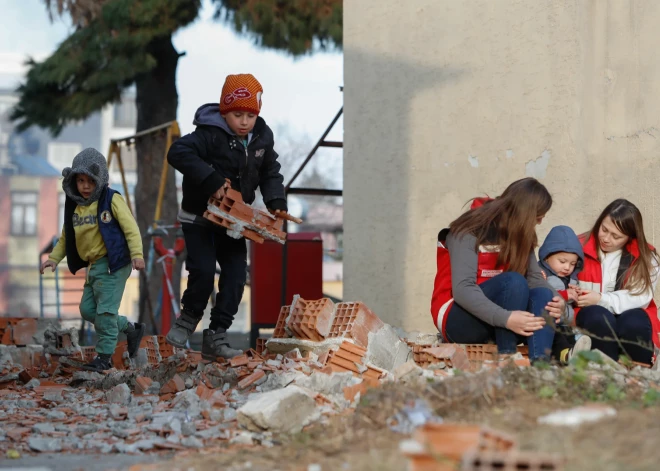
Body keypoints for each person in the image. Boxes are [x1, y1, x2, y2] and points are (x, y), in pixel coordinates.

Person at [166, 73, 288, 360]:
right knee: (204, 271)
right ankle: (188, 319)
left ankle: (217, 334)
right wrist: (211, 180)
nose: (244, 122)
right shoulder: (208, 134)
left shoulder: (261, 138)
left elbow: (270, 172)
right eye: (237, 114)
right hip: (200, 217)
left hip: (234, 222)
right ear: (224, 111)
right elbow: (177, 152)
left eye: (250, 115)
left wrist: (275, 201)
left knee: (235, 276)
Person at [430, 177, 566, 362]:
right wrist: (507, 318)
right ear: (525, 214)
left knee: (543, 294)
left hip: (501, 320)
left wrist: (560, 304)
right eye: (538, 216)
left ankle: (540, 367)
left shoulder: (520, 233)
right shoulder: (468, 231)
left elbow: (535, 279)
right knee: (514, 281)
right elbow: (463, 290)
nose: (540, 222)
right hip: (458, 320)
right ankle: (507, 359)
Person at [40, 148, 146, 373]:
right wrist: (53, 259)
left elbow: (131, 228)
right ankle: (131, 328)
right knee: (88, 310)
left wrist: (137, 255)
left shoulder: (111, 199)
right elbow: (67, 236)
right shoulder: (75, 207)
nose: (85, 186)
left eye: (91, 180)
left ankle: (104, 357)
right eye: (80, 180)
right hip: (94, 267)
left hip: (113, 264)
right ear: (73, 181)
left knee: (105, 313)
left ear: (100, 180)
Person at [575, 199, 660, 365]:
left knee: (634, 321)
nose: (606, 238)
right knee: (599, 317)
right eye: (604, 229)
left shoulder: (646, 258)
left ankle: (639, 377)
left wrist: (601, 299)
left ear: (630, 237)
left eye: (616, 236)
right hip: (589, 317)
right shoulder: (577, 246)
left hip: (631, 318)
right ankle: (607, 373)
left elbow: (640, 297)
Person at [538, 225, 592, 364]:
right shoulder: (541, 274)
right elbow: (541, 294)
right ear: (547, 258)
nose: (567, 267)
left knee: (572, 335)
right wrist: (564, 294)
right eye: (562, 261)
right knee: (558, 338)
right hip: (549, 322)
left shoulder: (571, 278)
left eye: (573, 263)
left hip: (566, 322)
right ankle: (565, 356)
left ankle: (578, 355)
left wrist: (576, 295)